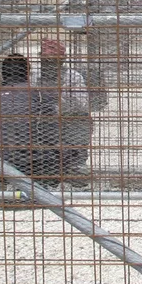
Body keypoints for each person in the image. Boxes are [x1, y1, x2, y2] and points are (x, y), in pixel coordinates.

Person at [0, 53, 58, 183]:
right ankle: (42, 191)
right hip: (32, 163)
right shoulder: (39, 95)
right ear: (27, 73)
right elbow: (52, 132)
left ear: (3, 73)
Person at [33, 39, 101, 179]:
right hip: (41, 123)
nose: (49, 64)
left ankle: (76, 164)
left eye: (53, 60)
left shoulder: (72, 77)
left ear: (62, 60)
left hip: (67, 122)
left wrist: (60, 101)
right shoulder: (34, 76)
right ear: (40, 58)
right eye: (46, 60)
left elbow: (83, 104)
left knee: (83, 120)